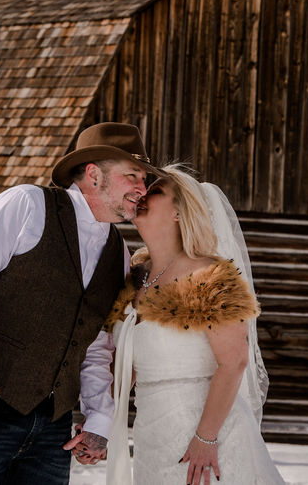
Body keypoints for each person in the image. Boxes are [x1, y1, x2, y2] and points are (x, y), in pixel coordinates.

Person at [0, 122, 163, 485]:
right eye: (132, 175)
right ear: (93, 175)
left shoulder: (118, 251)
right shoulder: (25, 204)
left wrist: (99, 417)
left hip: (55, 424)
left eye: (144, 179)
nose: (142, 189)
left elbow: (96, 342)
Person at [105, 165, 286, 485]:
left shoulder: (211, 274)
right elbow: (129, 366)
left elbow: (234, 362)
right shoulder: (136, 275)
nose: (142, 193)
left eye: (156, 191)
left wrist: (206, 439)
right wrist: (100, 420)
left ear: (179, 212)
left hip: (208, 442)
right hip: (152, 440)